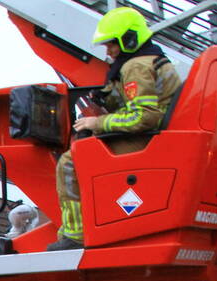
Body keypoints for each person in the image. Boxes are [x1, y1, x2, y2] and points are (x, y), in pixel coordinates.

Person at [48, 7, 182, 251]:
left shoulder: (136, 67)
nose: (108, 51)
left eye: (112, 44)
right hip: (160, 137)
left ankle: (76, 235)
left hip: (148, 138)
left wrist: (95, 123)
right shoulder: (151, 61)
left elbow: (144, 116)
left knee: (70, 161)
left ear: (129, 40)